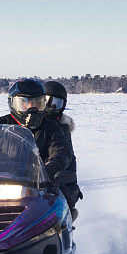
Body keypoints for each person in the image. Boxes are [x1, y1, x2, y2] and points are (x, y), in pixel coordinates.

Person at [43, 80, 82, 219]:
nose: (51, 106)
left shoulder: (62, 129)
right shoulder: (29, 124)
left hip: (50, 181)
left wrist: (71, 187)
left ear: (63, 106)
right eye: (47, 100)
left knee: (59, 211)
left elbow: (68, 157)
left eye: (56, 103)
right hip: (22, 178)